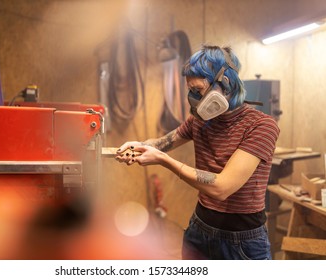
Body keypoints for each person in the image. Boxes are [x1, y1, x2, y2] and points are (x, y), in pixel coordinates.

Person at [115, 45, 280, 260]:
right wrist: (138, 146)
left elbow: (221, 187)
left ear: (226, 83)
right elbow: (165, 142)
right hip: (200, 230)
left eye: (199, 91)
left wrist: (163, 161)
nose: (193, 98)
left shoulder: (261, 126)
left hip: (242, 242)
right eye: (191, 91)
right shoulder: (200, 120)